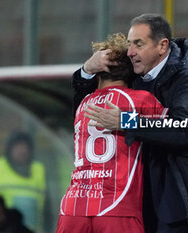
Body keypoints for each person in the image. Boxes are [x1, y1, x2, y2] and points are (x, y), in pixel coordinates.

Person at [74, 13, 188, 233]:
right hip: (148, 197)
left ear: (162, 46)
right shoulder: (137, 77)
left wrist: (126, 120)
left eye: (138, 44)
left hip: (187, 197)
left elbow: (185, 127)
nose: (131, 52)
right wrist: (86, 70)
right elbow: (87, 110)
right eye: (130, 45)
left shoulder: (186, 77)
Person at [56, 33, 168, 233]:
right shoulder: (140, 101)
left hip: (73, 208)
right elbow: (182, 127)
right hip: (116, 208)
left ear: (99, 72)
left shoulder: (83, 105)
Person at [0, 131, 49, 233]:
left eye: (26, 147)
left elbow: (48, 209)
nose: (22, 151)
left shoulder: (39, 170)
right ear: (10, 149)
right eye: (18, 146)